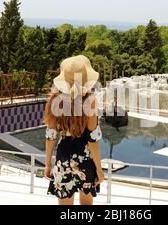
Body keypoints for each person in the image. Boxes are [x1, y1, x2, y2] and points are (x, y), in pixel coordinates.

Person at [44, 55, 104, 205]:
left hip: (63, 157)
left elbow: (50, 136)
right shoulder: (90, 101)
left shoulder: (54, 100)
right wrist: (99, 169)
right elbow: (92, 140)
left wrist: (47, 164)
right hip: (85, 159)